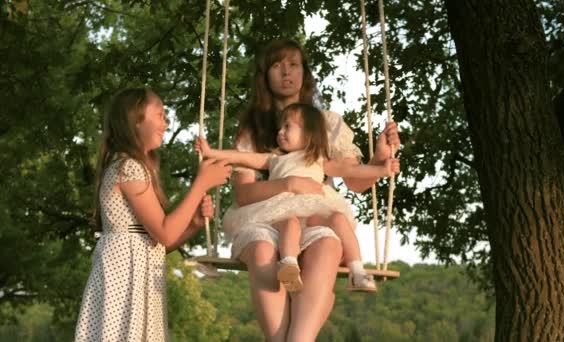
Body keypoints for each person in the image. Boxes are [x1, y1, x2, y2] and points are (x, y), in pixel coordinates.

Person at [226, 38, 401, 342]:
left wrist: (380, 159)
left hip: (315, 215)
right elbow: (244, 195)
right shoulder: (253, 129)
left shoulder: (327, 124)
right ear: (265, 76)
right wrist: (289, 183)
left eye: (293, 65)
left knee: (328, 245)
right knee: (264, 250)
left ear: (304, 73)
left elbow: (355, 181)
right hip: (262, 218)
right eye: (276, 66)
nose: (285, 72)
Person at [75, 88, 232, 341]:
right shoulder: (128, 167)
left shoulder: (131, 167)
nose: (166, 123)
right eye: (160, 115)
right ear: (136, 120)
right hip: (123, 278)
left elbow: (159, 242)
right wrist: (200, 184)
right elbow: (165, 231)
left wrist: (192, 224)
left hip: (138, 276)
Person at [196, 103, 399, 292]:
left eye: (287, 127)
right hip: (284, 208)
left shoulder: (320, 160)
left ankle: (358, 271)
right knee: (290, 223)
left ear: (309, 134)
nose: (280, 132)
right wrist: (210, 152)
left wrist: (382, 170)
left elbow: (352, 171)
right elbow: (241, 157)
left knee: (338, 218)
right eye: (280, 128)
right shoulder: (274, 159)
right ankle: (289, 265)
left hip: (315, 210)